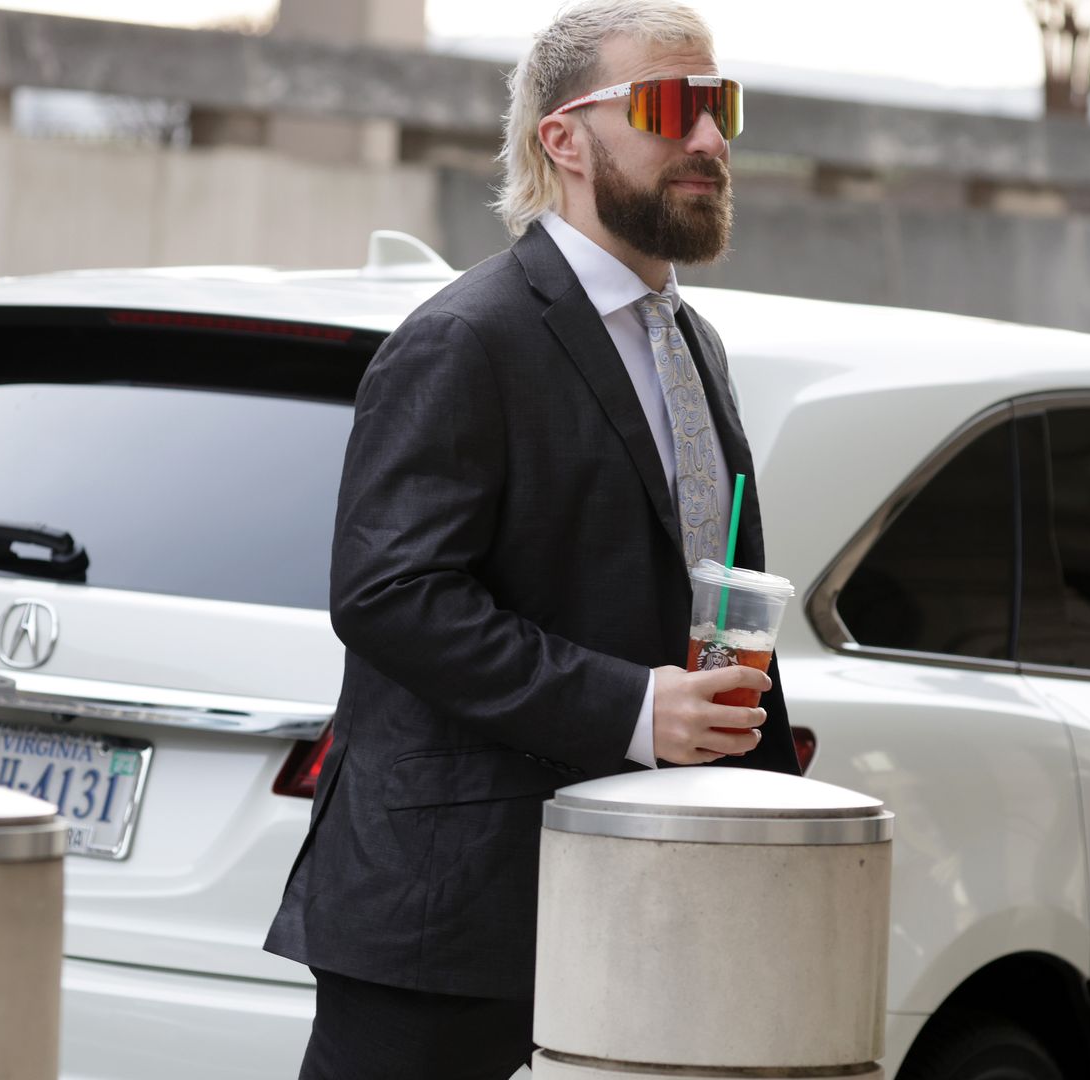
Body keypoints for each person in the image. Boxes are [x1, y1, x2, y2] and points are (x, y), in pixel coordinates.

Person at [265, 2, 798, 1076]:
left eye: (720, 105)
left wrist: (763, 819)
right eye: (668, 107)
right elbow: (391, 595)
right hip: (449, 922)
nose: (708, 140)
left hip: (645, 902)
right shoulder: (466, 338)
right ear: (563, 138)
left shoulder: (694, 345)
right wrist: (633, 709)